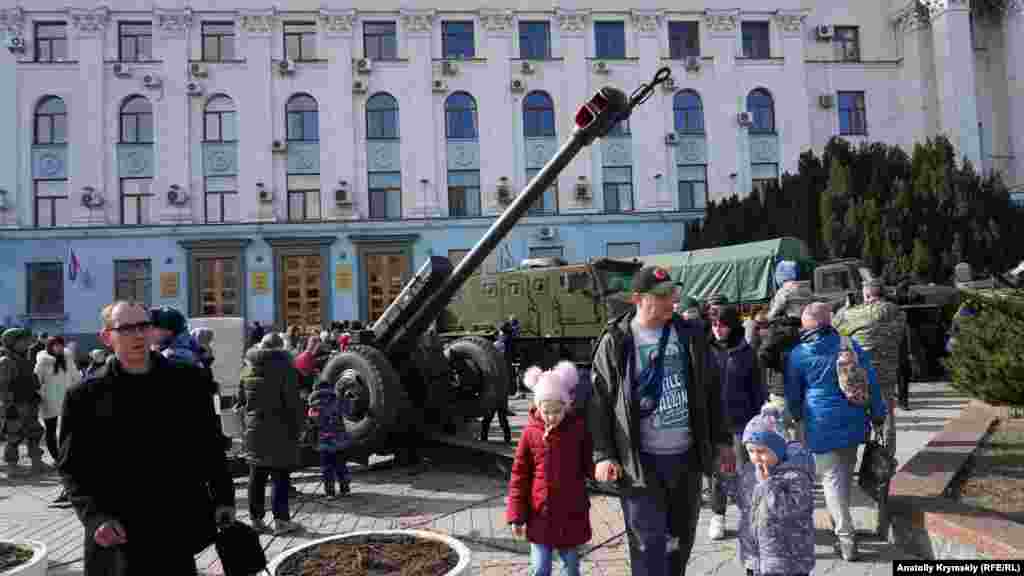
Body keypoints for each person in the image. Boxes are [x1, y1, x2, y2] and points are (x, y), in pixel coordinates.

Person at [58, 301, 235, 574]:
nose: (138, 335)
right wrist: (95, 517)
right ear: (107, 337)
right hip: (118, 528)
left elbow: (209, 444)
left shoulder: (187, 381)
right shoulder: (85, 395)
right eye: (127, 328)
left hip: (174, 522)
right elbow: (73, 465)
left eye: (144, 326)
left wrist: (224, 497)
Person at [588, 265, 735, 575]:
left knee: (679, 545)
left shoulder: (689, 335)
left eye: (673, 293)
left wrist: (722, 441)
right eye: (663, 295)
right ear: (638, 298)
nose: (672, 300)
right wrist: (603, 455)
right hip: (640, 466)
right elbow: (599, 402)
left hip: (686, 461)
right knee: (648, 548)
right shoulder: (616, 339)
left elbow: (711, 391)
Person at [784, 302, 887, 561]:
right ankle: (840, 527)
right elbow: (871, 381)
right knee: (842, 477)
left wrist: (797, 419)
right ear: (829, 322)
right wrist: (878, 415)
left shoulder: (799, 354)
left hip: (820, 423)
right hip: (853, 420)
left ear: (806, 325)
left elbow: (793, 395)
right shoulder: (850, 345)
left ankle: (845, 537)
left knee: (831, 480)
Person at [507, 361, 592, 576]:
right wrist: (517, 515)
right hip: (539, 515)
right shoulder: (530, 433)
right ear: (538, 407)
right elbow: (519, 475)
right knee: (539, 568)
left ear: (566, 405)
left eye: (557, 410)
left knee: (570, 567)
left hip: (571, 512)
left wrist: (601, 470)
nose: (551, 417)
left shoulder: (577, 430)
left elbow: (588, 463)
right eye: (547, 411)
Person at [724, 405, 816, 576]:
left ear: (779, 449)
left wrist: (768, 485)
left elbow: (792, 510)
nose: (756, 457)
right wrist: (728, 481)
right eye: (751, 451)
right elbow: (743, 502)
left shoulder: (796, 475)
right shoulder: (750, 471)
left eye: (761, 451)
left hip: (788, 559)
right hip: (755, 556)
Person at [706, 301, 765, 542]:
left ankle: (749, 517)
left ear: (733, 326)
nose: (717, 330)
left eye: (722, 325)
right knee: (718, 473)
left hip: (742, 422)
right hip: (714, 423)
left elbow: (757, 389)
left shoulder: (746, 352)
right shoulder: (705, 350)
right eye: (713, 325)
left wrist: (759, 420)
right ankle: (718, 516)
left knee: (744, 471)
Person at [237, 332, 303, 535]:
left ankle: (256, 521)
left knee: (256, 476)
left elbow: (241, 402)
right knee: (280, 476)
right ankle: (281, 521)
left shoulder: (247, 369)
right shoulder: (286, 369)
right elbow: (293, 403)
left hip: (254, 430)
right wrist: (299, 427)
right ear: (281, 347)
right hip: (280, 429)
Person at [833, 276, 907, 448]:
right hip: (887, 372)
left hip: (862, 373)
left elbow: (836, 325)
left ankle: (866, 455)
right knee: (887, 415)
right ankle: (886, 455)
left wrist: (846, 307)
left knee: (861, 413)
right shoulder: (896, 312)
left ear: (866, 293)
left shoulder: (853, 314)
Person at [35, 336, 82, 497]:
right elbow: (37, 380)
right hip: (49, 400)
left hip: (66, 399)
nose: (58, 348)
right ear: (49, 346)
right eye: (55, 345)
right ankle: (57, 457)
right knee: (50, 430)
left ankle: (64, 457)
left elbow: (76, 376)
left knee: (66, 430)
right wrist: (41, 394)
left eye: (60, 345)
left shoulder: (67, 359)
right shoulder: (43, 361)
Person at [1, 328, 45, 476]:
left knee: (35, 432)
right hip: (15, 404)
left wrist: (35, 393)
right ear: (12, 343)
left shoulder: (25, 359)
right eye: (22, 341)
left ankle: (37, 462)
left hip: (29, 402)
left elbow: (32, 380)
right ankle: (12, 466)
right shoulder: (6, 361)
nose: (26, 344)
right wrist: (9, 407)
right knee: (14, 436)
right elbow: (3, 386)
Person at [307, 379, 352, 498]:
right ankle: (345, 488)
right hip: (339, 440)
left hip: (324, 442)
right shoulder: (337, 400)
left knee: (327, 468)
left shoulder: (314, 405)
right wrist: (347, 398)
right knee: (341, 465)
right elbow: (348, 411)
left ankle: (330, 492)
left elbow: (313, 422)